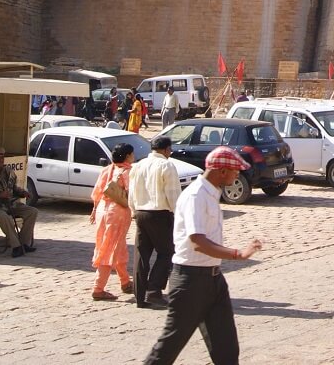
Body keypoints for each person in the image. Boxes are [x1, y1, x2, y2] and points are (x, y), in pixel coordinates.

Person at [143, 148, 262, 365]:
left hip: (213, 279)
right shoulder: (196, 195)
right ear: (222, 171)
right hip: (190, 281)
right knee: (169, 346)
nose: (238, 176)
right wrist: (237, 254)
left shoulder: (211, 193)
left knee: (226, 349)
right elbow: (197, 241)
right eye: (235, 171)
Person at [129, 135, 181, 309]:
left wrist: (133, 211)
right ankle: (154, 291)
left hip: (141, 213)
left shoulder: (138, 165)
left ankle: (139, 294)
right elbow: (173, 194)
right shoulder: (166, 165)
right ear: (166, 150)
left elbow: (131, 193)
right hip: (160, 214)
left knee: (141, 254)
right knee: (166, 253)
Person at [90, 143, 135, 300]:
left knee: (116, 246)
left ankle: (125, 281)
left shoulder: (107, 170)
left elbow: (96, 193)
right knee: (109, 248)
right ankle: (98, 288)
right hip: (117, 213)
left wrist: (94, 210)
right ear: (128, 156)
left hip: (102, 210)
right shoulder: (128, 172)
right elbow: (132, 194)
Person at [0, 147, 39, 258]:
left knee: (32, 211)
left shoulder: (9, 172)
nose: (0, 160)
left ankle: (23, 243)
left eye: (2, 158)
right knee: (5, 217)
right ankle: (16, 246)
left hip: (10, 204)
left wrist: (22, 192)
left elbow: (13, 188)